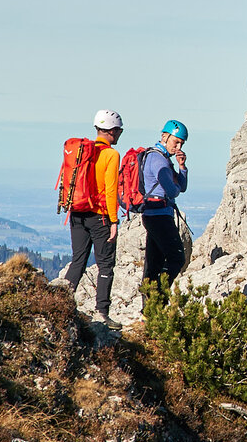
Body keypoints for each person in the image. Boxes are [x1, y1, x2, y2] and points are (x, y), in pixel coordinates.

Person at [55, 109, 123, 325]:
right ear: (112, 131)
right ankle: (102, 313)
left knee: (78, 261)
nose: (120, 134)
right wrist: (114, 221)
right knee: (105, 265)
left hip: (76, 213)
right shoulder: (111, 155)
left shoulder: (83, 152)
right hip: (99, 215)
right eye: (119, 131)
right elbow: (111, 190)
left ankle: (59, 305)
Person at [139, 119, 189, 292]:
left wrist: (182, 166)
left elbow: (181, 186)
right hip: (159, 216)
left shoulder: (162, 158)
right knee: (176, 258)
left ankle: (150, 310)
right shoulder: (158, 159)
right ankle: (158, 298)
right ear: (165, 137)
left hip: (154, 215)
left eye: (181, 144)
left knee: (154, 263)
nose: (178, 147)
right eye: (176, 142)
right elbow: (174, 190)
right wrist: (173, 186)